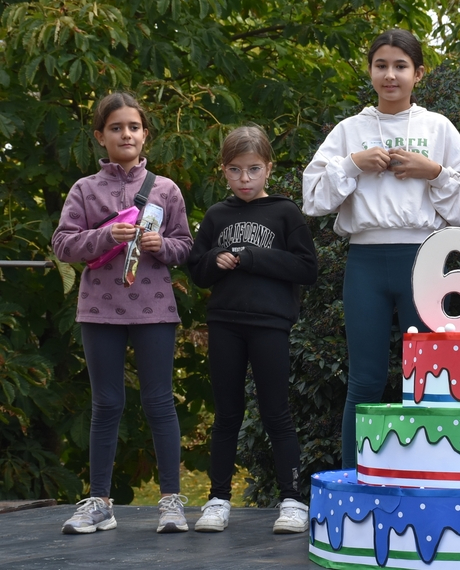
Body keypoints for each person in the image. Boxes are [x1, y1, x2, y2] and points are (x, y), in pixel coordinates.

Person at [302, 29, 460, 467]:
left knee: (428, 377)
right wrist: (353, 163)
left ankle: (433, 478)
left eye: (401, 66)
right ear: (369, 71)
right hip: (365, 261)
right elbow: (313, 199)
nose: (390, 74)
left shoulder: (437, 127)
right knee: (363, 380)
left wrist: (432, 170)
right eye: (381, 65)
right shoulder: (350, 131)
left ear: (418, 73)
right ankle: (351, 482)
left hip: (423, 260)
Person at [51, 92, 193, 534]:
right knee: (106, 403)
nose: (125, 134)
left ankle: (171, 501)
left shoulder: (166, 188)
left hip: (154, 309)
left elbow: (185, 246)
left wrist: (161, 246)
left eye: (133, 127)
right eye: (116, 127)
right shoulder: (84, 189)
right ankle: (100, 502)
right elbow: (63, 244)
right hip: (99, 309)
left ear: (145, 134)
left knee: (158, 402)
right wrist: (106, 235)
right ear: (100, 136)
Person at [188, 125, 318, 534]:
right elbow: (196, 270)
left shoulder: (285, 212)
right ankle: (218, 499)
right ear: (223, 171)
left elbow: (306, 268)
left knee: (276, 412)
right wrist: (215, 260)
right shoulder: (216, 215)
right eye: (235, 171)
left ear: (269, 169)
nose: (244, 179)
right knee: (227, 415)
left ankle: (292, 500)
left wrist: (251, 257)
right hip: (225, 323)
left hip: (270, 324)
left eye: (253, 169)